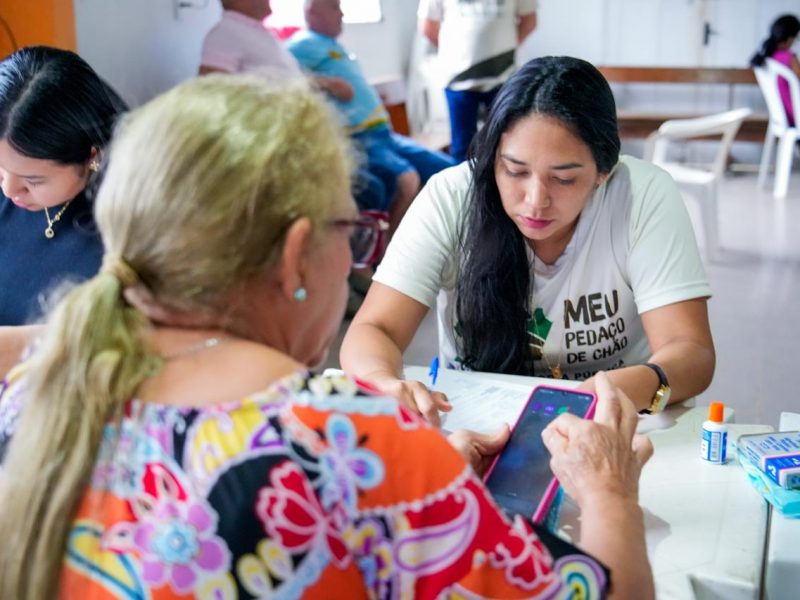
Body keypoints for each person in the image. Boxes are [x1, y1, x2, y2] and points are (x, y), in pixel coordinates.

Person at [0, 74, 654, 599]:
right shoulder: (355, 446)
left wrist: (431, 487)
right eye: (354, 233)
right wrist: (608, 490)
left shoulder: (35, 393)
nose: (355, 260)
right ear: (297, 254)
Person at [341, 56, 716, 425]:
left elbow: (691, 351)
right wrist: (384, 383)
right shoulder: (452, 196)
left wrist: (624, 387)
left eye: (564, 178)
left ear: (604, 170)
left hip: (609, 426)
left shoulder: (642, 195)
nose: (536, 200)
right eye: (515, 171)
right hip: (473, 426)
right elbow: (375, 329)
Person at [0, 45, 126, 367]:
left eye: (33, 180)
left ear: (92, 157)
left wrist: (18, 345)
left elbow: (124, 341)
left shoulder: (126, 229)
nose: (10, 188)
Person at [287, 0, 456, 233]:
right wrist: (327, 83)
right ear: (312, 12)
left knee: (452, 171)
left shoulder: (334, 46)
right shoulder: (302, 43)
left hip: (386, 134)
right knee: (406, 180)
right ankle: (389, 250)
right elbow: (280, 80)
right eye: (334, 7)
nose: (342, 13)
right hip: (359, 136)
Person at [418, 0, 538, 163]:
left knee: (507, 141)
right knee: (462, 145)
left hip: (503, 77)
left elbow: (529, 20)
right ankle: (464, 188)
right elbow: (428, 27)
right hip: (457, 80)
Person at [750, 14, 800, 126]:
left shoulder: (769, 57)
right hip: (796, 114)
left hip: (782, 114)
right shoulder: (790, 58)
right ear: (791, 38)